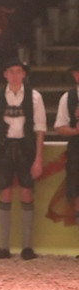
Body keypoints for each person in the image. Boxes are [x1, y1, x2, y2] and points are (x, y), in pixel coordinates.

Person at [0, 59, 46, 260]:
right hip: (3, 146)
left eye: (18, 72)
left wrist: (38, 158)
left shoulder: (34, 96)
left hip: (26, 147)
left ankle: (27, 247)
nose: (15, 75)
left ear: (24, 74)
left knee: (27, 193)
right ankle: (3, 247)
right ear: (5, 74)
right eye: (11, 72)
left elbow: (40, 129)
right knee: (5, 192)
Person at [53, 63, 79, 235]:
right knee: (75, 195)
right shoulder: (68, 98)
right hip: (76, 150)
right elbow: (60, 127)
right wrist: (76, 131)